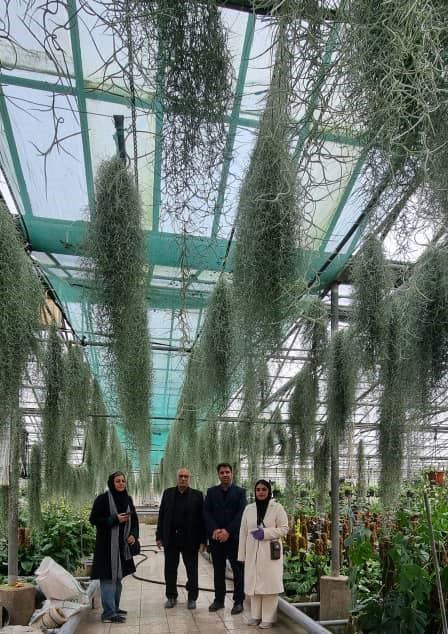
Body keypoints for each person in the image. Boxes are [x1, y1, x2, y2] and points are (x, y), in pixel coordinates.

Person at [238, 479, 288, 629]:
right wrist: (242, 555)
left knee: (269, 586)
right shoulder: (249, 509)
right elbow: (243, 532)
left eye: (264, 489)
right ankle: (255, 616)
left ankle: (268, 618)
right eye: (258, 489)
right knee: (254, 585)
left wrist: (265, 533)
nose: (260, 492)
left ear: (269, 491)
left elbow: (284, 528)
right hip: (252, 551)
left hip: (270, 553)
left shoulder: (277, 507)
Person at [89, 471, 139, 623]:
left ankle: (115, 608)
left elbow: (134, 520)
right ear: (112, 483)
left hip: (122, 547)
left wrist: (133, 534)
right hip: (107, 548)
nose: (121, 483)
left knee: (117, 579)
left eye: (123, 481)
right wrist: (114, 519)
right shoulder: (102, 499)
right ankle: (108, 613)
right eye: (118, 481)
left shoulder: (127, 499)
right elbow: (93, 519)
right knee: (108, 579)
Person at [156, 468, 206, 610]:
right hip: (171, 538)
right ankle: (171, 596)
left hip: (190, 539)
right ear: (177, 477)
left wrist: (203, 540)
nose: (183, 478)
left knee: (192, 570)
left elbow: (202, 520)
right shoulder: (168, 493)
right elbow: (162, 515)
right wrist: (159, 536)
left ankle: (192, 598)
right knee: (170, 569)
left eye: (186, 476)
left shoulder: (197, 495)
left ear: (189, 478)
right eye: (181, 476)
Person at [204, 462, 246, 614]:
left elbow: (241, 514)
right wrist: (215, 529)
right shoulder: (211, 492)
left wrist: (228, 531)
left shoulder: (240, 492)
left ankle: (238, 602)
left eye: (227, 472)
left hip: (234, 538)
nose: (225, 475)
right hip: (216, 539)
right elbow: (206, 512)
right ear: (218, 475)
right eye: (222, 472)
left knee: (237, 571)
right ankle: (219, 600)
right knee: (218, 571)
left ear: (232, 473)